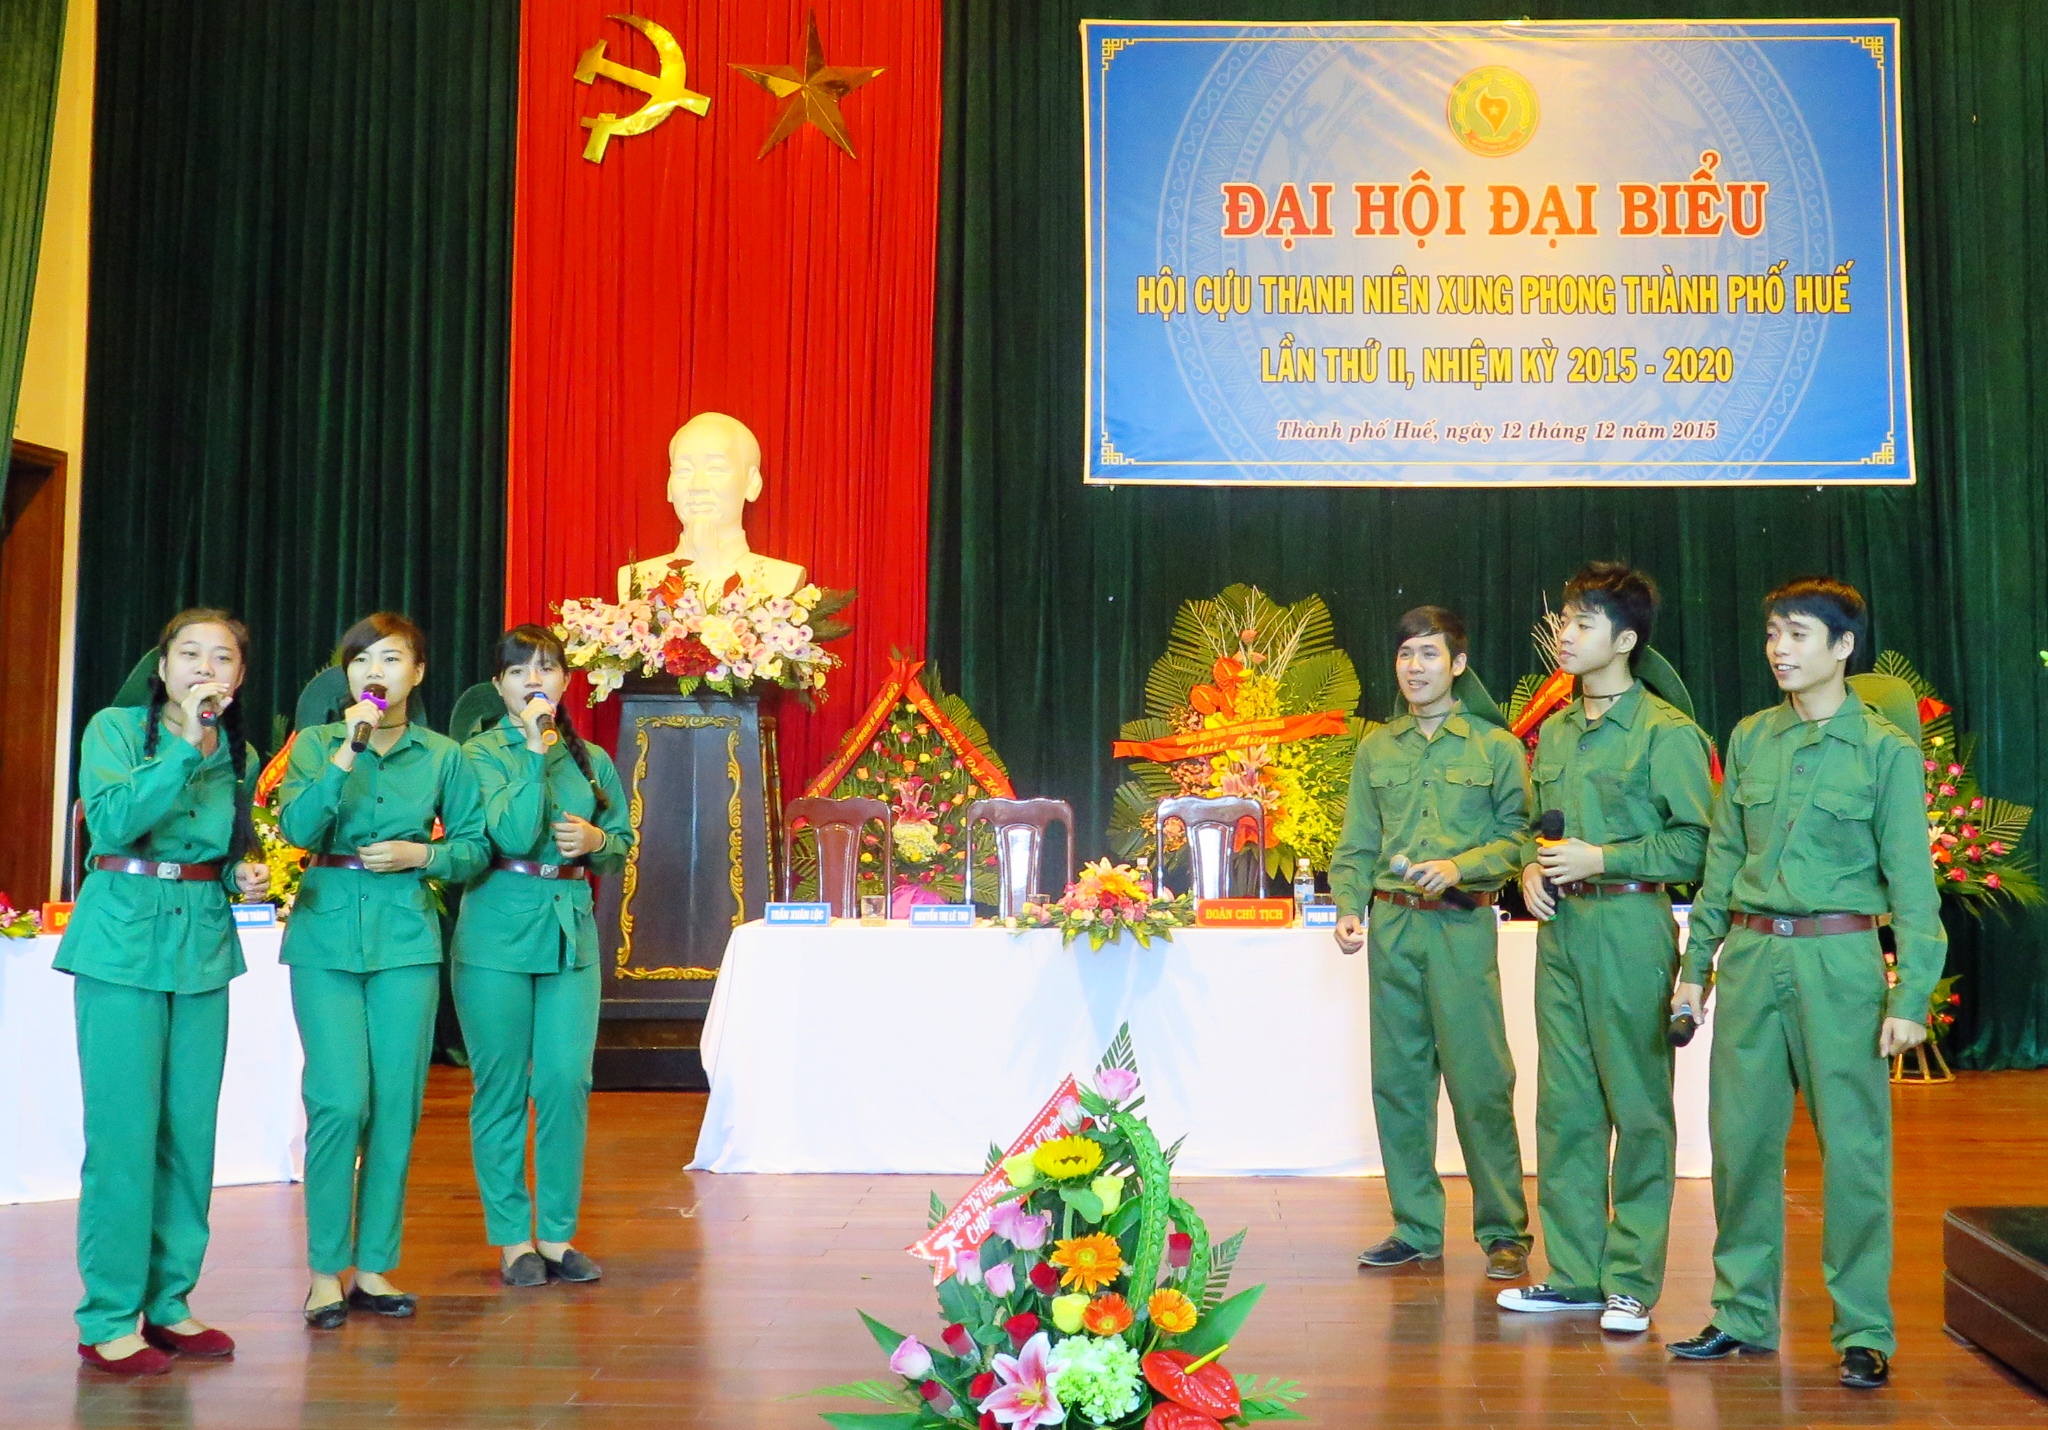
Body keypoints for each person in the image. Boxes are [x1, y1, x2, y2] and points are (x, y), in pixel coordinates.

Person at [1668, 578, 1944, 1388]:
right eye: (1772, 635)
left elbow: (1914, 883)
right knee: (1740, 1146)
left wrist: (1911, 997)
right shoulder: (1753, 738)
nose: (1779, 650)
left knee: (1854, 1152)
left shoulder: (1885, 751)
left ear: (1842, 646)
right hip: (1754, 958)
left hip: (1839, 960)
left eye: (1796, 635)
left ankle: (1863, 1329)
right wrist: (1695, 970)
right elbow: (1722, 863)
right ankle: (1741, 1314)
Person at [1495, 564, 1713, 1336]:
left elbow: (1696, 844)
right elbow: (1536, 829)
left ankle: (1630, 1283)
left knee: (1640, 1107)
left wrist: (1604, 858)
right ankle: (1574, 1273)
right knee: (1565, 1108)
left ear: (1624, 640)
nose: (1565, 633)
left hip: (1629, 924)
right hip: (1562, 932)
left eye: (1583, 622)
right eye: (1564, 619)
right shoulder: (1554, 731)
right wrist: (1530, 869)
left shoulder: (1666, 733)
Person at [57, 610, 271, 1374]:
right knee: (123, 1136)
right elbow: (114, 821)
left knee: (189, 1135)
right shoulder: (113, 730)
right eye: (190, 653)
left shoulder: (239, 752)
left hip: (203, 943)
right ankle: (109, 1316)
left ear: (239, 676)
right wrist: (184, 744)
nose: (205, 667)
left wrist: (243, 871)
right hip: (121, 941)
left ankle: (170, 1301)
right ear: (163, 666)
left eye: (223, 657)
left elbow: (222, 842)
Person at [278, 613, 488, 1328]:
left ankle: (373, 1267)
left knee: (396, 1105)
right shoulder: (315, 745)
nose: (375, 672)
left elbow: (473, 849)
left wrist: (421, 855)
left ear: (417, 674)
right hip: (325, 935)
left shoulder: (443, 755)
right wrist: (346, 751)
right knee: (339, 1102)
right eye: (362, 660)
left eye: (391, 659)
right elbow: (296, 830)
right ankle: (324, 1272)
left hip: (405, 938)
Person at [1331, 606, 1533, 1279]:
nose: (1414, 667)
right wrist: (1349, 907)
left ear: (1458, 664)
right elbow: (1357, 843)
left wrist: (1460, 865)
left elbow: (1519, 838)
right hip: (1392, 928)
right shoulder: (1376, 749)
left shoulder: (1495, 748)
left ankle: (1504, 1231)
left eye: (1428, 654)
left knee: (1481, 1082)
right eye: (1405, 654)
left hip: (1460, 925)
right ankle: (1415, 1226)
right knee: (1399, 1082)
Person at [453, 626, 633, 1287]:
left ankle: (557, 1236)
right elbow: (507, 831)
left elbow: (621, 842)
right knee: (501, 1087)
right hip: (496, 932)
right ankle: (512, 1240)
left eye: (548, 668)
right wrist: (533, 749)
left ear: (565, 681)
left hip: (569, 931)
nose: (535, 680)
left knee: (564, 1081)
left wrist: (596, 840)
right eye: (519, 671)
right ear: (498, 686)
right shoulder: (477, 755)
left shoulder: (593, 760)